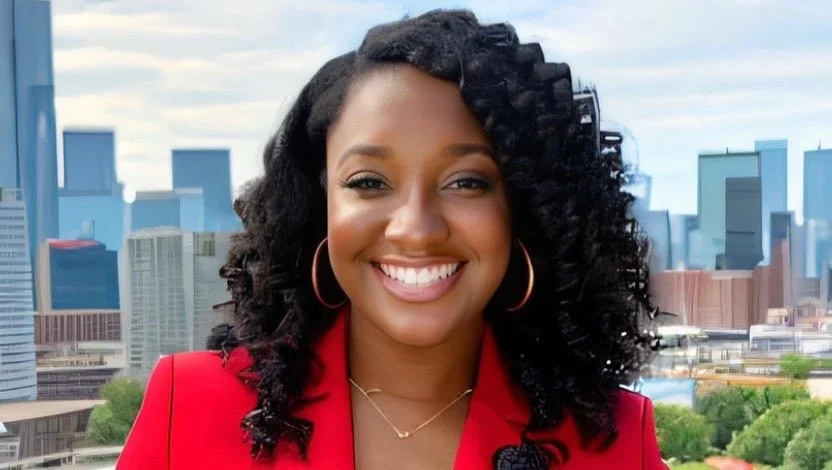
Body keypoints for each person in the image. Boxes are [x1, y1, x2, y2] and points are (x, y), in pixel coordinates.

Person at [118, 9, 666, 470]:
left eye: (467, 182)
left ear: (522, 209)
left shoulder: (616, 444)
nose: (414, 227)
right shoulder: (184, 408)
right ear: (322, 204)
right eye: (369, 183)